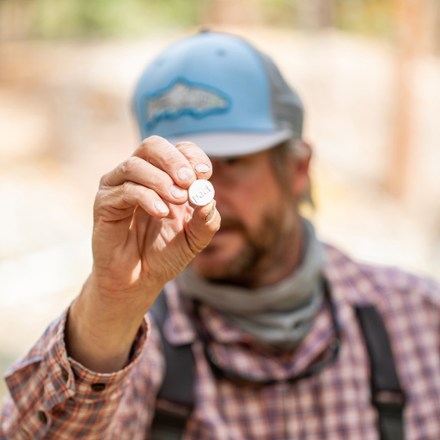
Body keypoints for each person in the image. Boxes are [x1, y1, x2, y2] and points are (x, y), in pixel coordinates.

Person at [1, 30, 440, 440]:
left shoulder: (417, 321)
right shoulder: (131, 346)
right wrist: (112, 303)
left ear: (298, 168)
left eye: (230, 164)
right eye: (177, 172)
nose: (202, 201)